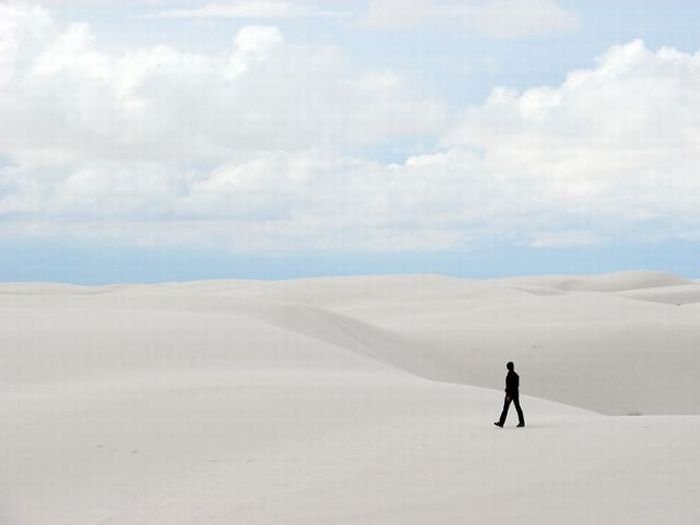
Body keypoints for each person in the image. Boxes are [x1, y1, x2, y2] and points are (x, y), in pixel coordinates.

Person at [494, 361, 525, 428]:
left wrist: (508, 395)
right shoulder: (516, 375)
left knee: (506, 408)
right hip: (515, 394)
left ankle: (501, 422)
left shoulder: (510, 375)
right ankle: (522, 422)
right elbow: (516, 386)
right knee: (517, 407)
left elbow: (510, 386)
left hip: (510, 394)